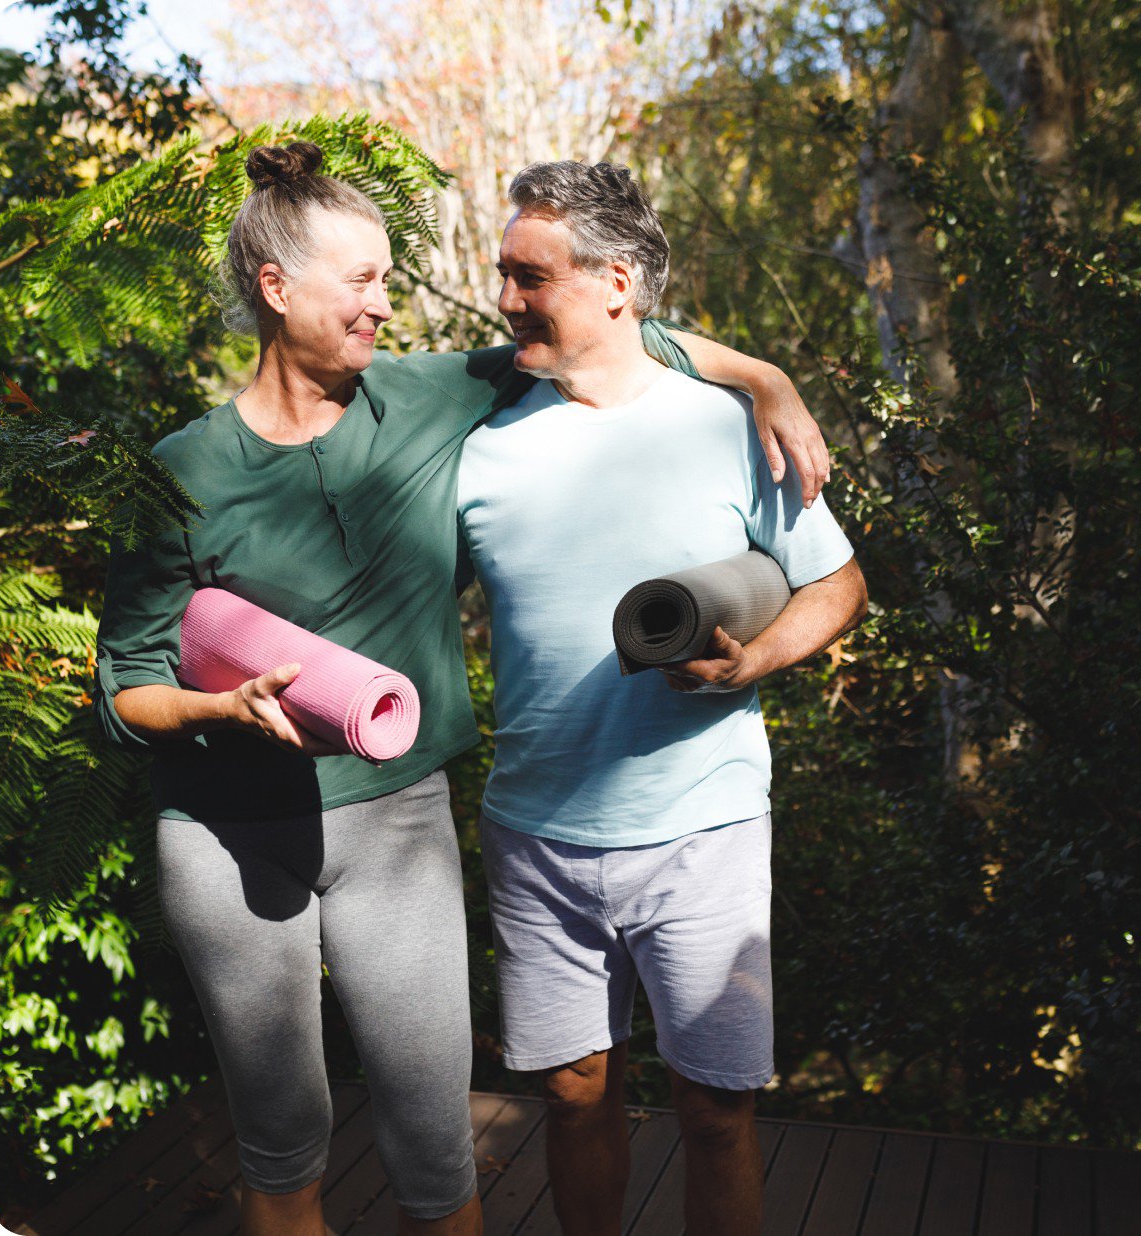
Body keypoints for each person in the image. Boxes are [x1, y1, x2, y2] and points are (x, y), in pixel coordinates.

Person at [93, 142, 829, 1236]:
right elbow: (126, 684)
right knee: (283, 1140)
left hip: (398, 824)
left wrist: (767, 378)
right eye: (363, 282)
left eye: (389, 278)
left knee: (439, 1151)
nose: (387, 305)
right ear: (275, 287)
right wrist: (218, 709)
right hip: (228, 829)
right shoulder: (181, 472)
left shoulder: (430, 399)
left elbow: (605, 334)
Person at [456, 160, 869, 1236]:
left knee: (716, 1109)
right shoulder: (479, 450)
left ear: (617, 282)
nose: (505, 298)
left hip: (705, 828)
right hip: (535, 833)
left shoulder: (730, 426)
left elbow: (840, 583)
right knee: (573, 1093)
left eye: (528, 275)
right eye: (503, 272)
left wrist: (757, 659)